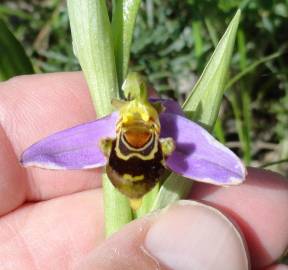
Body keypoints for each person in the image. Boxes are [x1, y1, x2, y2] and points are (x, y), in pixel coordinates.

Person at [0, 72, 287, 270]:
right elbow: (57, 152)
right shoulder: (125, 125)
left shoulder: (170, 126)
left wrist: (230, 169)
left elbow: (222, 166)